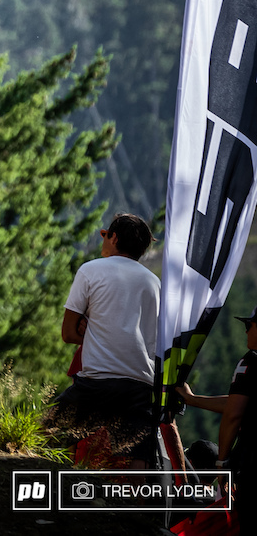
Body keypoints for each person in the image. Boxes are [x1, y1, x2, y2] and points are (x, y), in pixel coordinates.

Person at [48, 212, 160, 468]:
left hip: (97, 380)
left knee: (43, 429)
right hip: (141, 384)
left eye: (104, 234)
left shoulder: (90, 270)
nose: (103, 239)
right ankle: (134, 506)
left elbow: (68, 334)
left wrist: (94, 333)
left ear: (114, 237)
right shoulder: (154, 283)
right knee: (136, 461)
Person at [176, 306, 257, 505]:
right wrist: (192, 399)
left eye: (249, 324)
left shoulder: (251, 360)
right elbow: (238, 403)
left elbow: (234, 413)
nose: (246, 330)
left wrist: (221, 464)